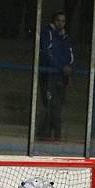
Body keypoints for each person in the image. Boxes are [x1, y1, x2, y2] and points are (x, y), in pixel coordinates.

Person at [38, 11, 74, 141]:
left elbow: (70, 54)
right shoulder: (47, 33)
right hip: (49, 74)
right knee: (52, 105)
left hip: (60, 76)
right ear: (53, 21)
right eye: (58, 20)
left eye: (63, 21)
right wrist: (60, 67)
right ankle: (50, 134)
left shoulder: (65, 37)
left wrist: (68, 68)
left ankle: (48, 134)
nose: (61, 23)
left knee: (57, 105)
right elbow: (47, 53)